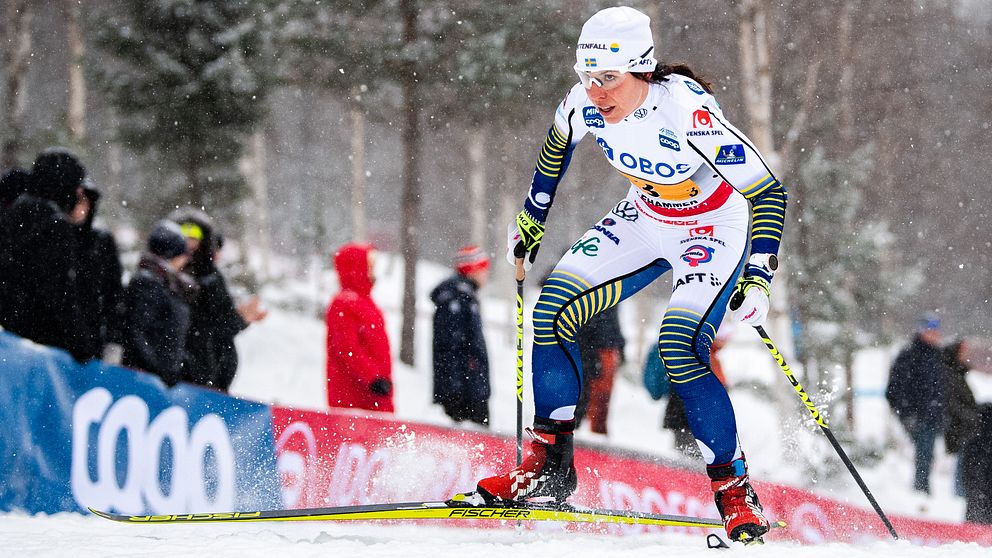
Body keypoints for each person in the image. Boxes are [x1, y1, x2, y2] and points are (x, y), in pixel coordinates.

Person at [474, 7, 787, 544]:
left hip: (712, 228)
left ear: (641, 68)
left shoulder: (685, 110)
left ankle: (734, 490)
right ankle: (548, 468)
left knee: (678, 347)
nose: (596, 91)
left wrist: (758, 272)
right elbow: (554, 153)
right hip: (644, 218)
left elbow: (766, 190)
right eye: (587, 77)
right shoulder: (583, 105)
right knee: (550, 310)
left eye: (608, 78)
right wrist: (530, 220)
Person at [0, 148, 87, 359]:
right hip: (35, 344)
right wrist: (81, 343)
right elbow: (60, 293)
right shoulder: (54, 226)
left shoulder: (13, 214)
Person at [170, 208, 267, 391]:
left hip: (206, 377)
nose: (188, 242)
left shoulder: (210, 278)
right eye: (183, 234)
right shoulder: (163, 275)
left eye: (194, 236)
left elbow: (221, 324)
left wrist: (240, 318)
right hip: (177, 373)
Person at [122, 221, 197, 387]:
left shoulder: (170, 283)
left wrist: (181, 364)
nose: (186, 260)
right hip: (146, 379)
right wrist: (159, 370)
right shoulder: (149, 283)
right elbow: (137, 331)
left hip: (162, 377)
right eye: (183, 254)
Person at [325, 242, 393, 413]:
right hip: (355, 394)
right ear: (356, 269)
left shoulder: (365, 301)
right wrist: (372, 377)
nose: (372, 273)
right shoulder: (343, 304)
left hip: (375, 392)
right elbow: (347, 348)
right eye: (369, 267)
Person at [885, 314, 948, 495]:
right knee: (923, 456)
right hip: (918, 416)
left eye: (936, 331)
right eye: (931, 330)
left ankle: (923, 491)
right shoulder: (910, 355)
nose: (935, 335)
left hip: (933, 416)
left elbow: (940, 388)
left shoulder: (937, 356)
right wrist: (906, 414)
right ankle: (920, 493)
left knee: (928, 456)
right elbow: (894, 389)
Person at [430, 245, 492, 427]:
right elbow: (451, 346)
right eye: (483, 269)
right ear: (472, 270)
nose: (486, 274)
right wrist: (456, 388)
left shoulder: (467, 297)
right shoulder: (456, 300)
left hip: (471, 385)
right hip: (465, 390)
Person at [69, 179, 125, 362]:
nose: (78, 209)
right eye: (75, 201)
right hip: (57, 337)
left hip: (91, 341)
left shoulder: (102, 242)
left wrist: (113, 340)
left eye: (83, 202)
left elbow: (114, 294)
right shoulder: (53, 237)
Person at [665, 334, 728, 457]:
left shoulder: (702, 355)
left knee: (688, 457)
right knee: (693, 459)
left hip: (685, 418)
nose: (724, 342)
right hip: (693, 420)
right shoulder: (704, 356)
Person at [574, 304, 625, 435]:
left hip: (602, 345)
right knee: (589, 398)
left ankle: (595, 438)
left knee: (599, 401)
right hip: (593, 346)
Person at [943, 339, 978, 497]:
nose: (967, 356)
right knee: (962, 466)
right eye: (964, 352)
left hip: (963, 428)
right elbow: (952, 404)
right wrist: (973, 417)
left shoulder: (957, 374)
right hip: (959, 428)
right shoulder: (951, 376)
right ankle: (959, 495)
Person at [961, 403, 992, 524]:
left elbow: (967, 468)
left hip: (975, 487)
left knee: (975, 509)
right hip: (982, 484)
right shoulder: (976, 439)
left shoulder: (973, 437)